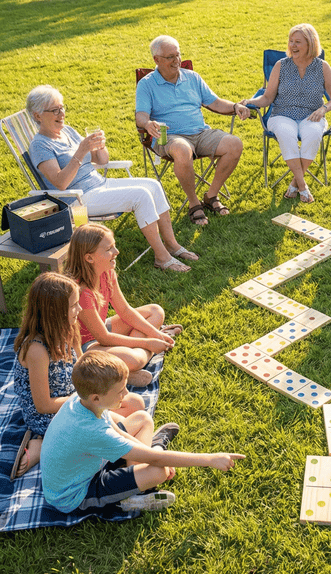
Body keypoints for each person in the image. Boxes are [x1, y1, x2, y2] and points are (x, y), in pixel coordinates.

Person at [40, 351, 245, 513]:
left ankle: (141, 472)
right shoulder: (90, 431)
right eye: (120, 390)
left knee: (143, 419)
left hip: (86, 465)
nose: (126, 394)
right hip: (76, 494)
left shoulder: (81, 401)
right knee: (158, 471)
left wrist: (153, 458)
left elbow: (118, 433)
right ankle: (130, 498)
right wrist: (210, 459)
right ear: (96, 397)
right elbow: (153, 459)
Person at [26, 85, 196, 273]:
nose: (62, 114)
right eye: (55, 110)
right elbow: (60, 182)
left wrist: (99, 146)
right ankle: (162, 258)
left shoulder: (68, 131)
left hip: (98, 184)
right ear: (37, 116)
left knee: (153, 185)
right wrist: (82, 151)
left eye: (62, 107)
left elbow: (102, 161)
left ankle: (172, 244)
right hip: (77, 199)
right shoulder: (40, 146)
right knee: (140, 195)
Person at [10, 272, 144, 480]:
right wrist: (84, 401)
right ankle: (43, 442)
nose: (79, 309)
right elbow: (43, 405)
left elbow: (81, 366)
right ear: (54, 312)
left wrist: (106, 378)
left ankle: (128, 458)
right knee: (118, 423)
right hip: (50, 413)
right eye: (74, 306)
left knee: (134, 403)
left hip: (75, 396)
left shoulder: (68, 327)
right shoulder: (36, 349)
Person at [136, 35, 251, 226]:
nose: (176, 61)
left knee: (234, 144)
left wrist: (236, 106)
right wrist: (148, 124)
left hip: (200, 133)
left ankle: (211, 195)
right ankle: (194, 203)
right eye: (170, 57)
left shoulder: (192, 78)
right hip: (169, 137)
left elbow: (214, 102)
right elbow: (140, 115)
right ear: (156, 60)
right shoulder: (146, 84)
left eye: (178, 55)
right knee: (182, 149)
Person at [65, 223, 180, 387]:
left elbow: (125, 311)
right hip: (85, 347)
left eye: (114, 246)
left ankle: (119, 369)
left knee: (155, 311)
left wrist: (155, 334)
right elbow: (103, 337)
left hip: (104, 329)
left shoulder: (107, 272)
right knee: (135, 359)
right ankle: (126, 368)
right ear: (89, 258)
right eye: (109, 249)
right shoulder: (81, 292)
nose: (116, 252)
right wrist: (147, 343)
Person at [240, 23, 331, 204]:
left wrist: (323, 108)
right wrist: (250, 102)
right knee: (286, 133)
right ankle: (303, 186)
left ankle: (295, 183)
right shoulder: (281, 65)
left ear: (310, 44)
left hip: (312, 115)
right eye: (291, 41)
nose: (292, 46)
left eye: (298, 42)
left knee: (312, 134)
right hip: (282, 114)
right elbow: (267, 98)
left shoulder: (322, 67)